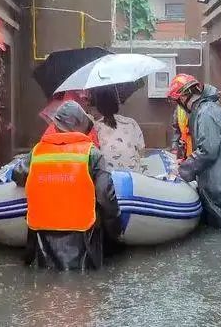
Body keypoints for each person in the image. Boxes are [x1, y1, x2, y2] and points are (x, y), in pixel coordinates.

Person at [23, 100, 121, 270]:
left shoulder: (37, 152)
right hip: (83, 239)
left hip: (41, 239)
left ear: (57, 126)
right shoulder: (93, 154)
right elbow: (105, 195)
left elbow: (18, 174)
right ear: (82, 127)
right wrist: (115, 229)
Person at [167, 75, 221, 232]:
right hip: (219, 184)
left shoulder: (207, 113)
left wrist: (183, 170)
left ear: (183, 96)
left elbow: (207, 151)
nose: (179, 105)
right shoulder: (207, 110)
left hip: (219, 187)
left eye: (177, 101)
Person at [92, 88, 145, 172]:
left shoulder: (95, 127)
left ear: (98, 106)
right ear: (116, 102)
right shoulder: (130, 123)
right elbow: (142, 150)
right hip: (134, 175)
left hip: (108, 178)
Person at [170, 74, 197, 160]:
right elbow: (176, 130)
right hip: (187, 153)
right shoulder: (179, 109)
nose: (180, 100)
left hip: (198, 156)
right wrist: (175, 149)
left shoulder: (202, 111)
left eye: (182, 97)